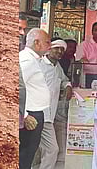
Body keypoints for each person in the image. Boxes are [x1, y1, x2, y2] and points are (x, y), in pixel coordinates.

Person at [34, 38, 72, 169]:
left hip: (48, 117)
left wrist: (68, 86)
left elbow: (63, 80)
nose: (60, 51)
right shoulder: (39, 64)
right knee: (49, 150)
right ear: (49, 48)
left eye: (62, 49)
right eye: (57, 48)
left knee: (45, 150)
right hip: (37, 114)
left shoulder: (57, 66)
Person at [19, 28, 51, 169]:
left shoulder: (33, 59)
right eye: (47, 42)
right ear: (37, 43)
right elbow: (18, 88)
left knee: (29, 154)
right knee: (25, 155)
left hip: (35, 112)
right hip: (31, 115)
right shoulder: (27, 60)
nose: (50, 45)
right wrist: (25, 116)